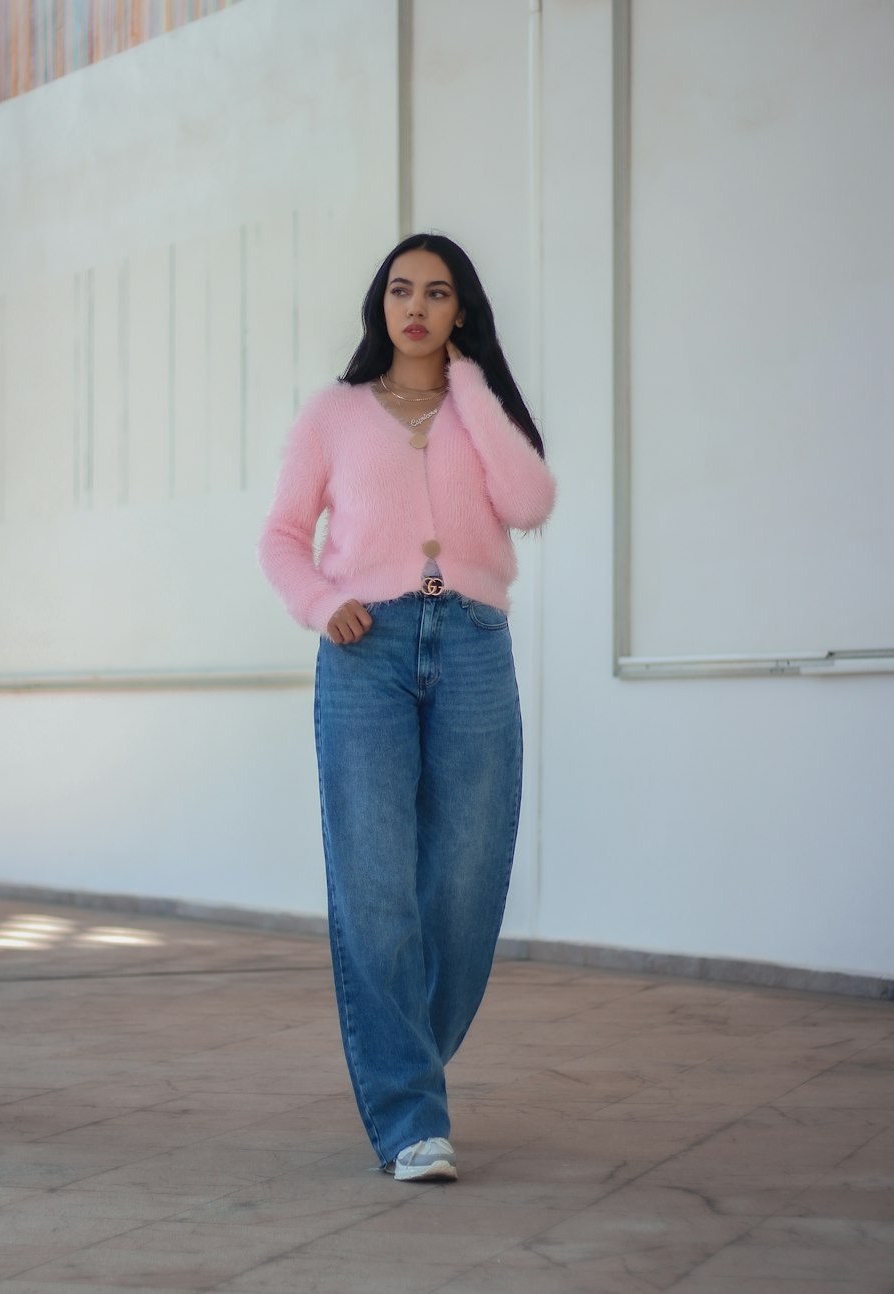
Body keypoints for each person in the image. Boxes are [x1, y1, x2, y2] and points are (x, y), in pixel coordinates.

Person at [259, 232, 556, 1183]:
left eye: (436, 292)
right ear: (378, 306)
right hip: (365, 649)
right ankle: (411, 1116)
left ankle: (405, 1066)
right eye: (400, 290)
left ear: (460, 309)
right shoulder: (335, 414)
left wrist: (470, 389)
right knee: (375, 884)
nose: (415, 306)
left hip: (471, 644)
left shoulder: (482, 410)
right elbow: (279, 536)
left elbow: (530, 498)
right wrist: (319, 602)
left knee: (464, 887)